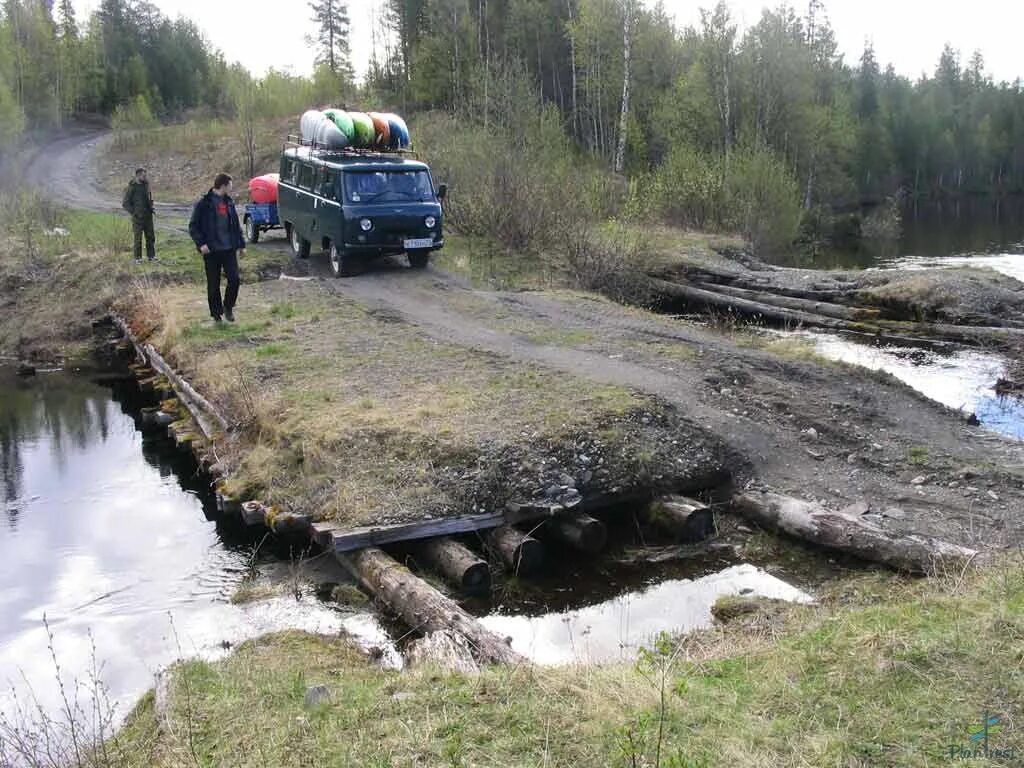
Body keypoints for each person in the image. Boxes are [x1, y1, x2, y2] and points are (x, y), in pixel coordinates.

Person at [188, 173, 246, 324]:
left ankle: (228, 307)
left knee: (234, 279)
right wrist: (201, 244)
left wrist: (241, 245)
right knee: (213, 284)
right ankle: (216, 314)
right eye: (230, 184)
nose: (232, 187)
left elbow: (236, 226)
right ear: (223, 185)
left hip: (228, 249)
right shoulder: (204, 203)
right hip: (211, 250)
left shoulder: (229, 202)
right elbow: (193, 226)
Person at [122, 168, 156, 264]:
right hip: (138, 218)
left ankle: (151, 257)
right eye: (143, 176)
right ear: (138, 175)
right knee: (138, 238)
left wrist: (151, 207)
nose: (145, 177)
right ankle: (137, 258)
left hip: (148, 216)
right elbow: (125, 203)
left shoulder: (146, 185)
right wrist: (134, 213)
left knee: (150, 237)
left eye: (145, 175)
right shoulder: (131, 187)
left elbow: (149, 198)